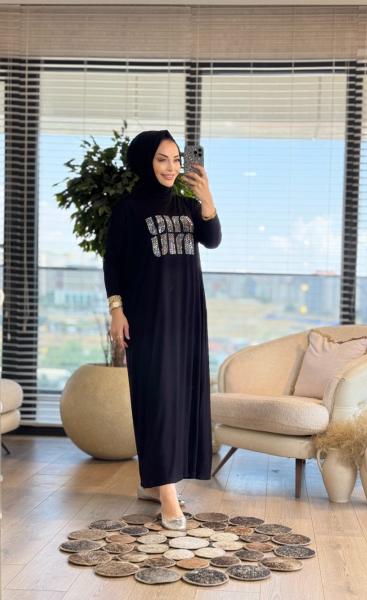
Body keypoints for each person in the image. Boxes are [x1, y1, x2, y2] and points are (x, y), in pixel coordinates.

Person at [103, 129, 222, 530]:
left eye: (175, 159)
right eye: (161, 159)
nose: (171, 167)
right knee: (157, 399)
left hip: (187, 316)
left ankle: (154, 484)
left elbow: (213, 240)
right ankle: (168, 494)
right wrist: (117, 310)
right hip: (148, 316)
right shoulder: (128, 209)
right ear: (144, 162)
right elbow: (113, 261)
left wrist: (206, 197)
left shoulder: (187, 206)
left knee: (182, 397)